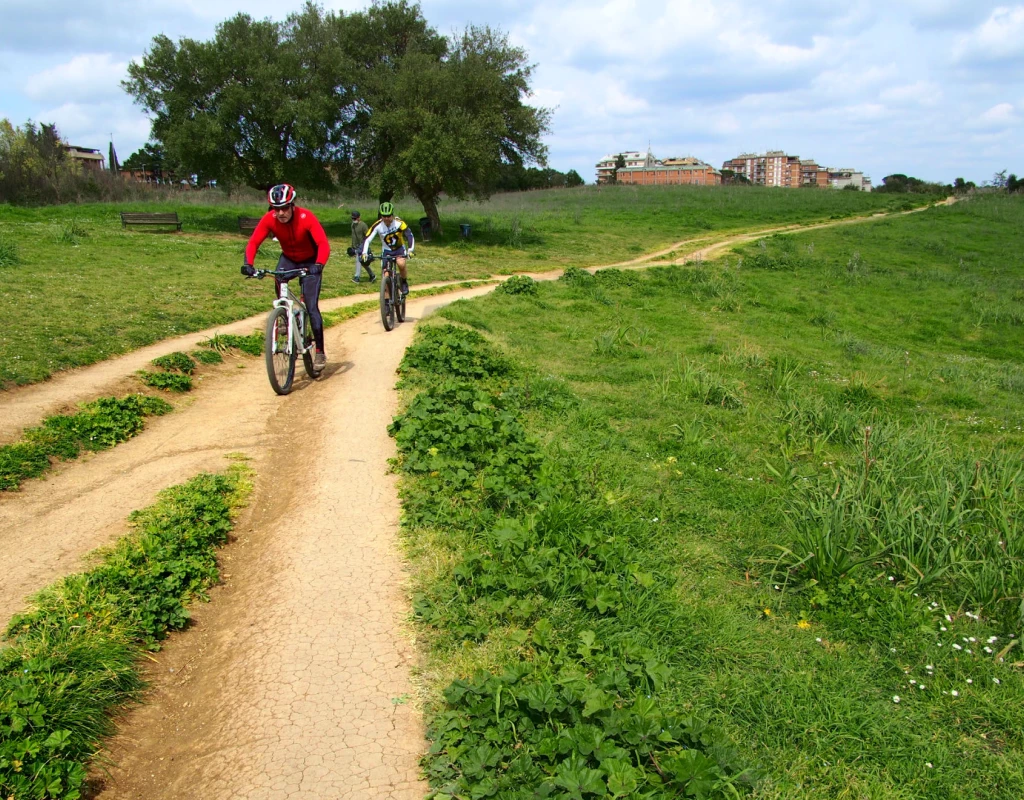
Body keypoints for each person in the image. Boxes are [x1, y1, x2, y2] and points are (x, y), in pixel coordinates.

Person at [241, 184, 330, 370]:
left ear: (292, 205)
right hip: (289, 259)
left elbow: (323, 243)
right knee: (278, 277)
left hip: (310, 261)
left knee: (312, 307)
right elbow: (254, 242)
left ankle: (320, 351)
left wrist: (319, 264)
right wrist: (248, 264)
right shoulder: (269, 219)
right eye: (276, 209)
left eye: (284, 208)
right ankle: (284, 317)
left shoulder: (306, 217)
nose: (281, 213)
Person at [361, 201, 414, 295]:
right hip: (387, 251)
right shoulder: (377, 225)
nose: (386, 218)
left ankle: (404, 282)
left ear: (392, 215)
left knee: (401, 264)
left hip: (399, 249)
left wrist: (410, 250)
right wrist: (364, 253)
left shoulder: (399, 223)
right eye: (384, 216)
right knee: (385, 275)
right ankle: (385, 303)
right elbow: (367, 239)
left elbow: (409, 235)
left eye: (388, 216)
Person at [350, 210, 372, 282]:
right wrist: (352, 247)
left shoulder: (363, 225)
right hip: (356, 246)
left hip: (362, 246)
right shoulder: (352, 225)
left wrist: (365, 246)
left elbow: (368, 236)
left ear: (359, 218)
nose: (354, 220)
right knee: (362, 262)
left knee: (358, 260)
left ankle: (357, 277)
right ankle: (372, 275)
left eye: (355, 218)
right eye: (353, 218)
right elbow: (353, 236)